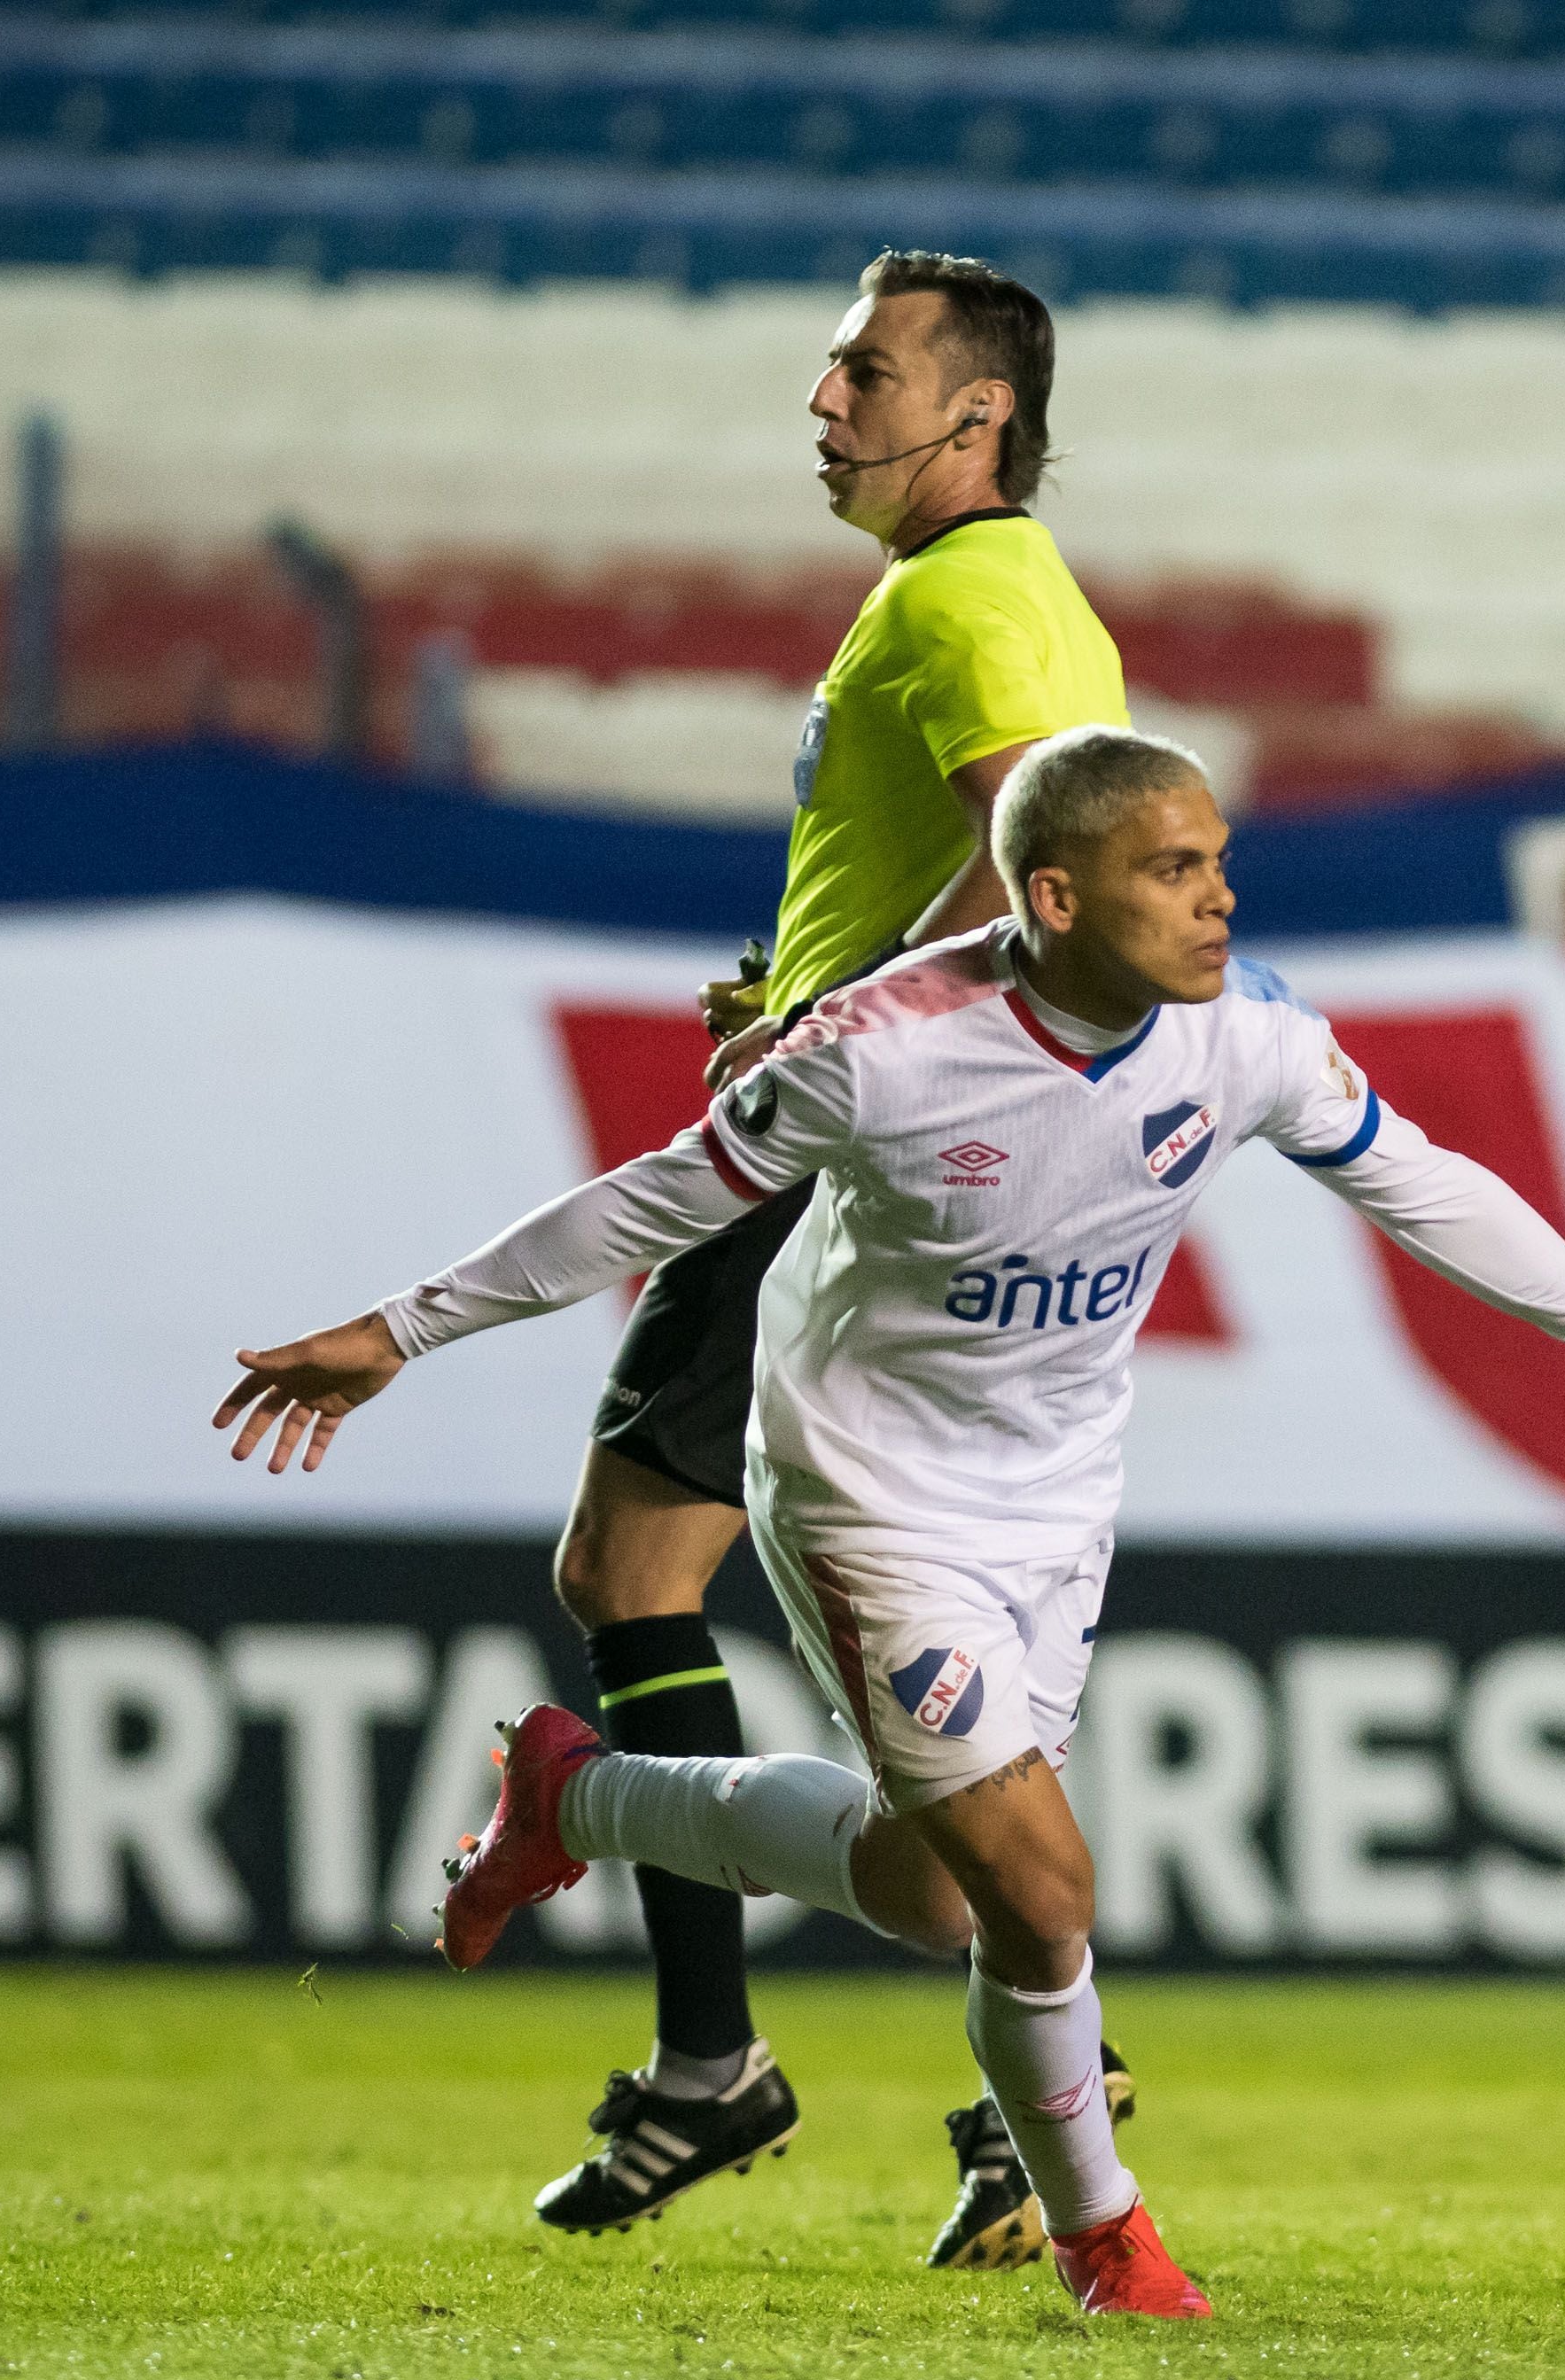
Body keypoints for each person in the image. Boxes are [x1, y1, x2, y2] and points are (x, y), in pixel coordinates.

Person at [216, 725, 1565, 2320]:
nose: (1219, 903)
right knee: (1048, 1896)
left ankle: (578, 1799)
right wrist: (399, 1330)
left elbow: (1419, 1177)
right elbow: (650, 1198)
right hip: (871, 1497)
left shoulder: (1244, 1034)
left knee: (934, 1898)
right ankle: (1104, 2240)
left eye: (1218, 863)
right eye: (1173, 869)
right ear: (1053, 897)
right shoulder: (883, 1048)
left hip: (1058, 1500)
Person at [526, 247, 1133, 2255]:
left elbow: (1028, 858)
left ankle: (756, 2066)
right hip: (886, 1120)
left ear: (976, 417)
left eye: (867, 370)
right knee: (714, 1580)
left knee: (645, 1569)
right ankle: (988, 2084)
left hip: (847, 1153)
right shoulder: (982, 591)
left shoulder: (970, 597)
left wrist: (844, 1023)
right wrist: (811, 981)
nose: (824, 398)